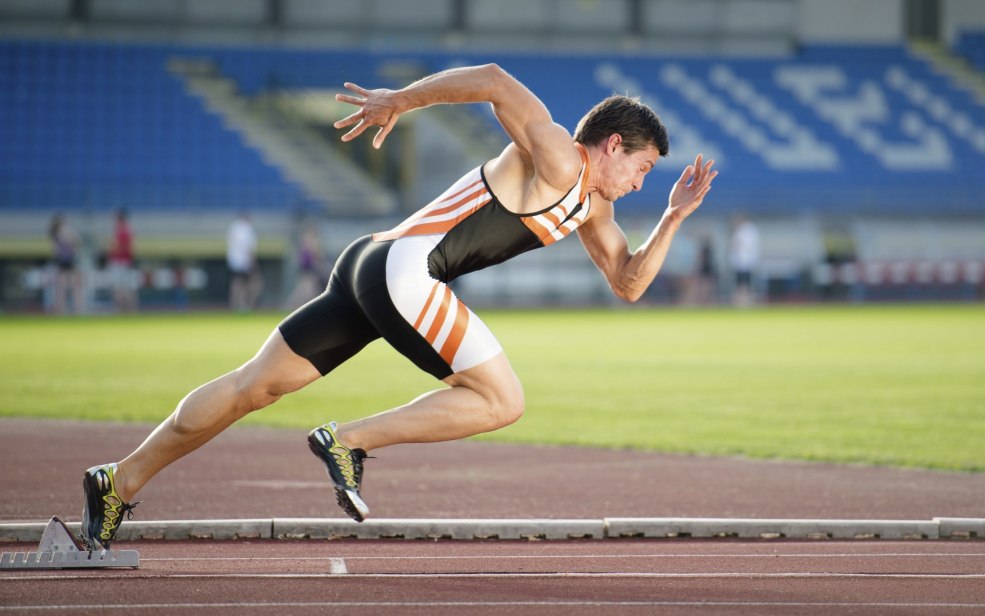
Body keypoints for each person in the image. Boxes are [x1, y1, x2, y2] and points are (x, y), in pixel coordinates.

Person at [80, 64, 717, 549]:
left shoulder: (594, 209)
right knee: (502, 400)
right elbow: (495, 81)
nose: (641, 183)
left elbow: (628, 282)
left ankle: (121, 480)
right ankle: (347, 441)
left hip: (369, 264)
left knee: (253, 387)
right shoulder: (557, 155)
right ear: (612, 144)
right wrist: (400, 100)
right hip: (407, 272)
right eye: (644, 167)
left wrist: (671, 218)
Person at [226, 211, 262, 311]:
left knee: (237, 283)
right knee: (253, 283)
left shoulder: (234, 227)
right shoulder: (247, 229)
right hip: (245, 262)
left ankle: (236, 304)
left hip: (234, 261)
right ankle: (246, 305)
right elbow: (249, 248)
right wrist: (252, 262)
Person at [48, 213, 83, 314]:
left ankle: (72, 307)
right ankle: (64, 307)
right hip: (65, 260)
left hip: (67, 260)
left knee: (69, 285)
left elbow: (77, 242)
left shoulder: (58, 233)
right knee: (64, 286)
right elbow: (74, 240)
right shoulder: (59, 233)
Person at [108, 209, 138, 313]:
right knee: (126, 288)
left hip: (120, 262)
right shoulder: (127, 230)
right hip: (125, 262)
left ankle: (121, 310)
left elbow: (120, 247)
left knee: (120, 288)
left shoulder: (123, 231)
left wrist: (113, 248)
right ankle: (130, 310)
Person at [729, 214, 760, 307]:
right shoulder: (749, 230)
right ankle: (744, 301)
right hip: (745, 261)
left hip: (743, 262)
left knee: (743, 284)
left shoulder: (745, 230)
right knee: (744, 284)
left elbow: (739, 245)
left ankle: (743, 301)